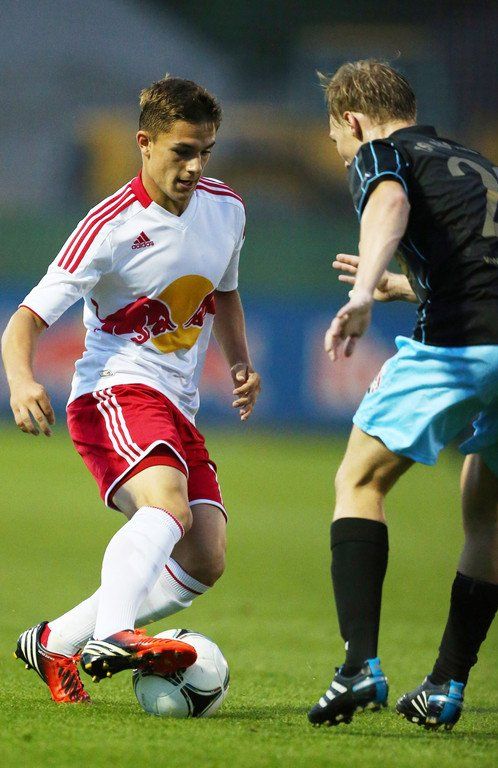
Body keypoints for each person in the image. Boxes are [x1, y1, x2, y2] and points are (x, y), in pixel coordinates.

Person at [1, 76, 261, 703]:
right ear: (144, 143)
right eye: (182, 152)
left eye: (205, 152)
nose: (195, 167)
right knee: (166, 504)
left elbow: (224, 292)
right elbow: (25, 319)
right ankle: (114, 633)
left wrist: (240, 364)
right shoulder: (109, 226)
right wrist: (21, 379)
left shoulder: (227, 209)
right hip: (112, 393)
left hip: (177, 405)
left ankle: (57, 640)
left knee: (205, 556)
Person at [307, 60, 498, 730]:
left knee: (358, 480)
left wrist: (365, 290)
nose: (342, 153)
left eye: (337, 139)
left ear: (353, 120)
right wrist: (406, 286)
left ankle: (358, 666)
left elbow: (388, 202)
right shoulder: (476, 163)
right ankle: (445, 685)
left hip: (461, 342)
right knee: (488, 512)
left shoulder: (382, 152)